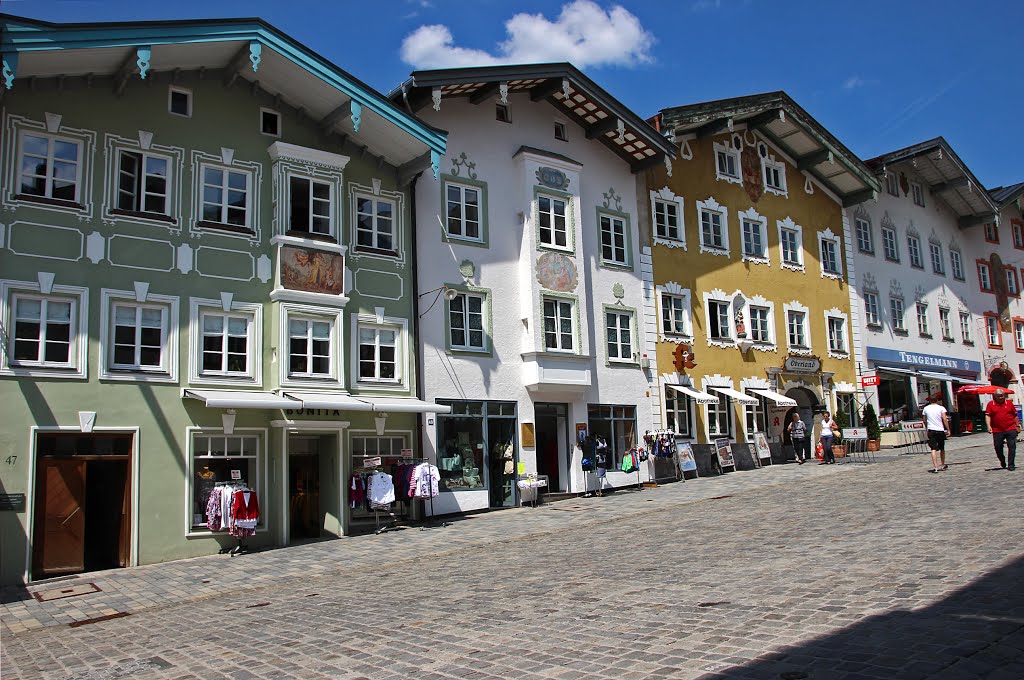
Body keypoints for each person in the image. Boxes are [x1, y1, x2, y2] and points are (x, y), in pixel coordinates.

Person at [984, 388, 1021, 470]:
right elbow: (988, 415)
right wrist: (989, 426)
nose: (1001, 397)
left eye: (1002, 396)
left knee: (1012, 446)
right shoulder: (991, 404)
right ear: (995, 396)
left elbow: (1015, 415)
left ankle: (1011, 464)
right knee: (998, 446)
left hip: (1010, 427)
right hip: (997, 429)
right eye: (999, 396)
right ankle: (1002, 459)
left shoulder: (1009, 403)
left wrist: (1017, 426)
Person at [921, 395, 951, 473]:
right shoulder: (941, 408)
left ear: (929, 401)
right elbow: (944, 419)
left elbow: (924, 420)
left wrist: (927, 428)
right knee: (942, 448)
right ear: (937, 400)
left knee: (933, 449)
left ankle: (936, 467)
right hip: (940, 430)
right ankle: (943, 464)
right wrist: (948, 429)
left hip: (931, 430)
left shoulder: (926, 408)